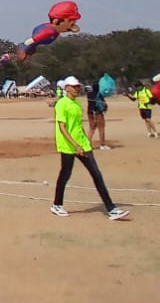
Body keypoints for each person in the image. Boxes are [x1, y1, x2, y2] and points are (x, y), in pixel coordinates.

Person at [51, 77, 129, 220]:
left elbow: (77, 125)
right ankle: (57, 204)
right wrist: (75, 145)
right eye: (74, 87)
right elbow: (62, 127)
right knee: (65, 175)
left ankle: (111, 209)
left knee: (96, 174)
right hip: (68, 146)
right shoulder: (61, 104)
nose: (77, 89)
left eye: (78, 87)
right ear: (67, 87)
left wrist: (85, 141)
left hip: (83, 145)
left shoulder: (77, 104)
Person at [87, 83, 110, 150]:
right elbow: (103, 103)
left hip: (90, 112)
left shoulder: (89, 94)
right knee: (101, 128)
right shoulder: (99, 94)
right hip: (98, 113)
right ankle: (102, 144)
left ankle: (88, 144)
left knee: (91, 129)